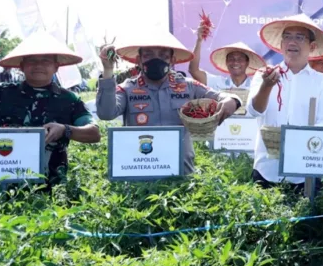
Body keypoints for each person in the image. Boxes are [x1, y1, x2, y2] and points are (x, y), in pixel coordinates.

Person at [0, 31, 101, 186]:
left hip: (53, 187)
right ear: (22, 66)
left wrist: (65, 130)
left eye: (45, 60)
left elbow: (94, 133)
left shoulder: (69, 99)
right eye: (32, 60)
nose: (38, 65)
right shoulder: (2, 92)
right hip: (8, 184)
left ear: (56, 67)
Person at [96, 30, 240, 176]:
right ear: (139, 60)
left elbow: (220, 96)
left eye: (163, 56)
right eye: (148, 55)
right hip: (140, 170)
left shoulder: (188, 86)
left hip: (181, 171)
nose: (156, 60)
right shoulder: (127, 88)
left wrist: (232, 100)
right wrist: (108, 69)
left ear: (172, 60)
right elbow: (106, 113)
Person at [249, 14, 323, 191]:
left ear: (312, 46)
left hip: (305, 171)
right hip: (267, 169)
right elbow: (254, 111)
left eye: (299, 37)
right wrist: (267, 86)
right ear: (281, 45)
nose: (292, 42)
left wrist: (297, 143)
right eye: (287, 37)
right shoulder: (264, 75)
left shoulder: (321, 82)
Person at [188, 24, 265, 90]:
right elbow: (193, 71)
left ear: (247, 63)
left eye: (240, 59)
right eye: (231, 59)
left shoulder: (257, 86)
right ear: (226, 62)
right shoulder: (217, 83)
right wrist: (199, 40)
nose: (235, 62)